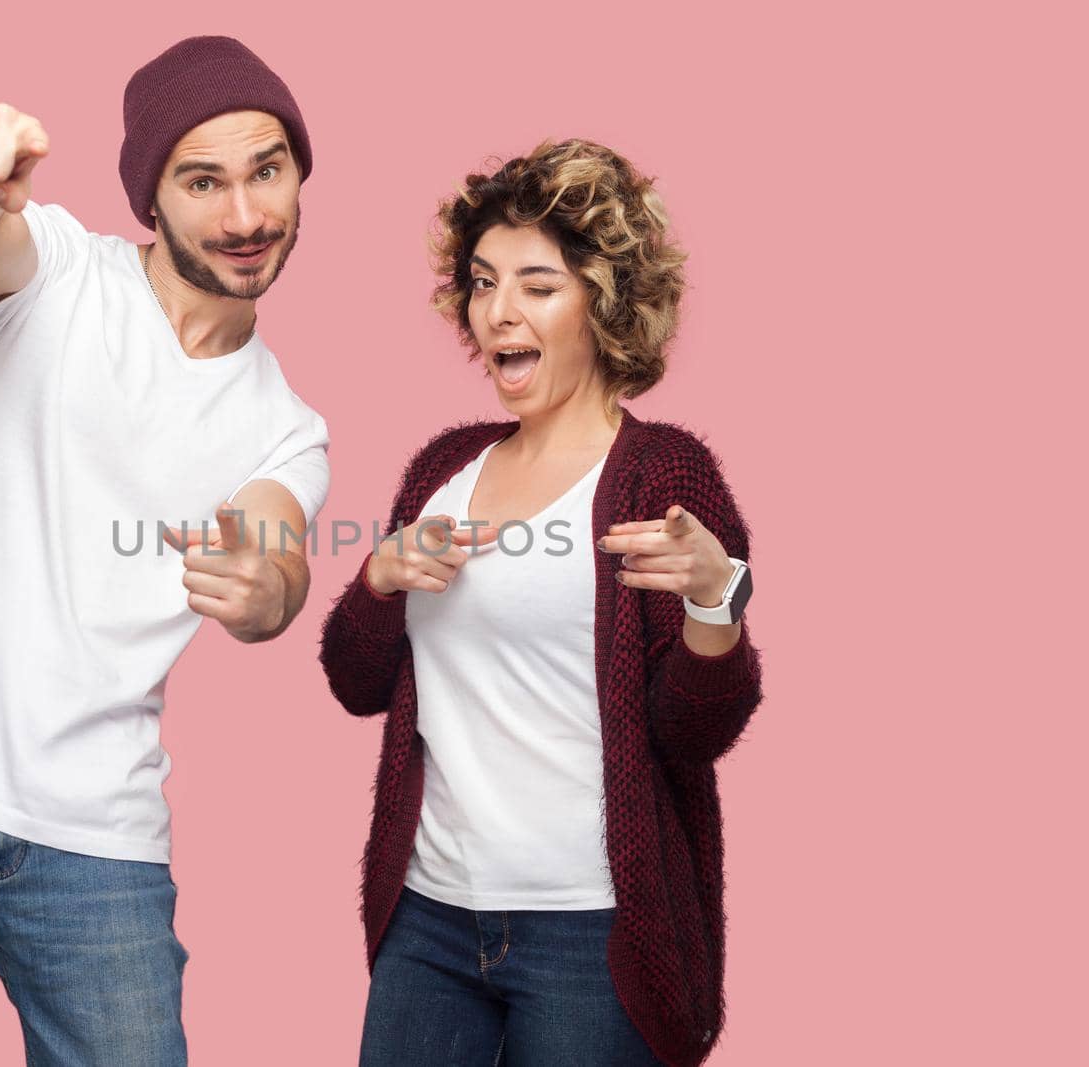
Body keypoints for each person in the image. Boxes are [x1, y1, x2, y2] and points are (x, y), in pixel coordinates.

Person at [0, 36, 329, 1066]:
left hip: (98, 837)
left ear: (301, 176)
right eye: (203, 180)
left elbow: (278, 555)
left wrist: (265, 586)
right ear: (152, 196)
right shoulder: (58, 272)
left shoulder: (286, 423)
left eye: (267, 170)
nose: (246, 216)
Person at [319, 139, 764, 1067]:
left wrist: (716, 599)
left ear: (602, 306)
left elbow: (693, 734)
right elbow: (356, 681)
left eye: (536, 285)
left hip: (590, 933)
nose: (498, 313)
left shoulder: (663, 474)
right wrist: (377, 583)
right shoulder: (444, 467)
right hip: (429, 920)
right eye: (483, 284)